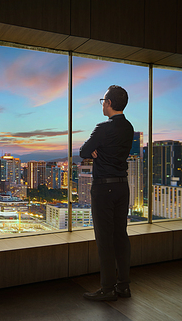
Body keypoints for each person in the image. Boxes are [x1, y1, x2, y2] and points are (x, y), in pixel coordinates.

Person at [79, 85, 134, 301]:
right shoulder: (129, 128)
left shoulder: (103, 128)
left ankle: (107, 289)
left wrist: (95, 150)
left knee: (104, 238)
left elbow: (83, 151)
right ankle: (124, 286)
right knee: (121, 235)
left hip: (104, 187)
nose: (102, 104)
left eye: (103, 100)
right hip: (123, 186)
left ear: (109, 103)